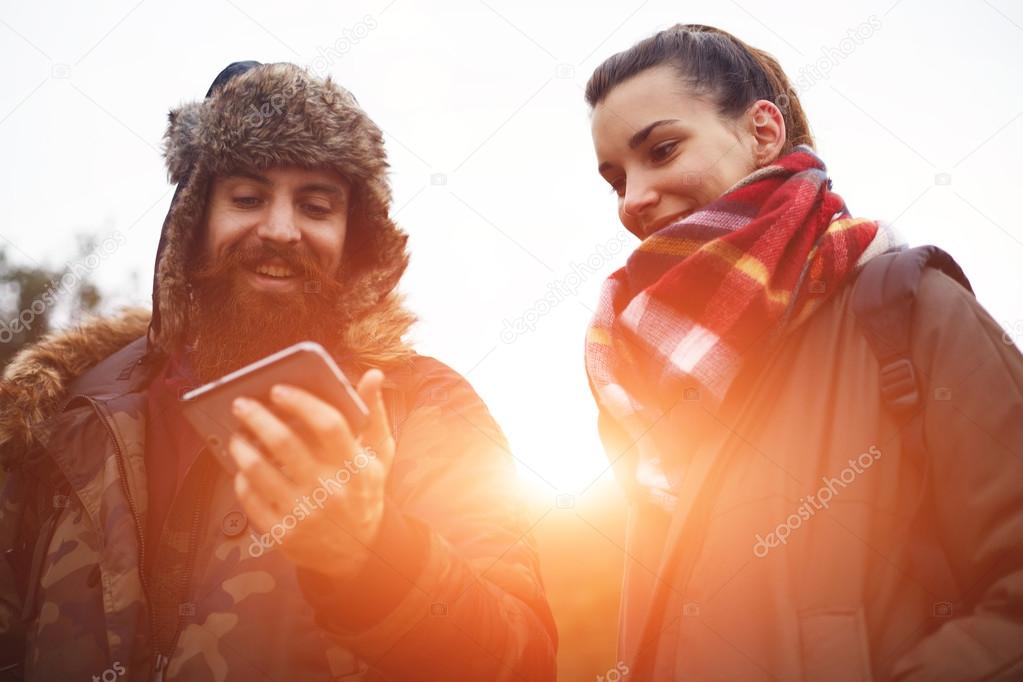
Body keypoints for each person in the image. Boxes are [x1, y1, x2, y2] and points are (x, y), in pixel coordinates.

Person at [0, 61, 556, 681]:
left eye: (316, 207)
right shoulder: (60, 414)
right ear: (192, 219)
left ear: (355, 238)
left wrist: (372, 561)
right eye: (248, 198)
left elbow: (521, 660)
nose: (281, 230)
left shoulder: (424, 406)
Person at [583, 24, 1023, 680]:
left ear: (761, 131)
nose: (634, 200)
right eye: (616, 179)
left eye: (663, 149)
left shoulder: (906, 309)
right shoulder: (640, 392)